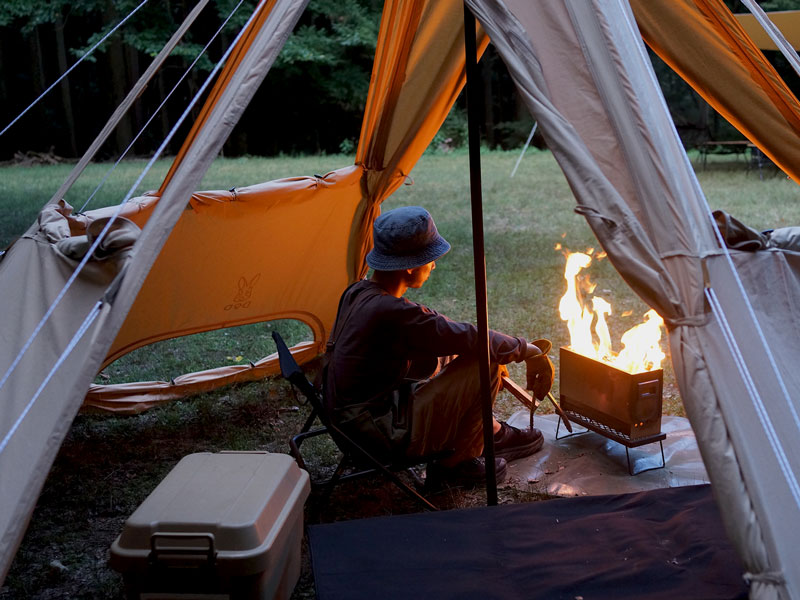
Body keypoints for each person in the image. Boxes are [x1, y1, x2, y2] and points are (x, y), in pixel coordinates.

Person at [324, 206, 554, 486]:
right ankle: (454, 465)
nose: (433, 265)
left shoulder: (358, 291)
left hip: (351, 426)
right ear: (410, 265)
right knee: (486, 361)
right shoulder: (392, 312)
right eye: (430, 259)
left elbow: (441, 341)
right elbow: (467, 336)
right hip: (377, 435)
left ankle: (488, 433)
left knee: (474, 355)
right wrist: (527, 350)